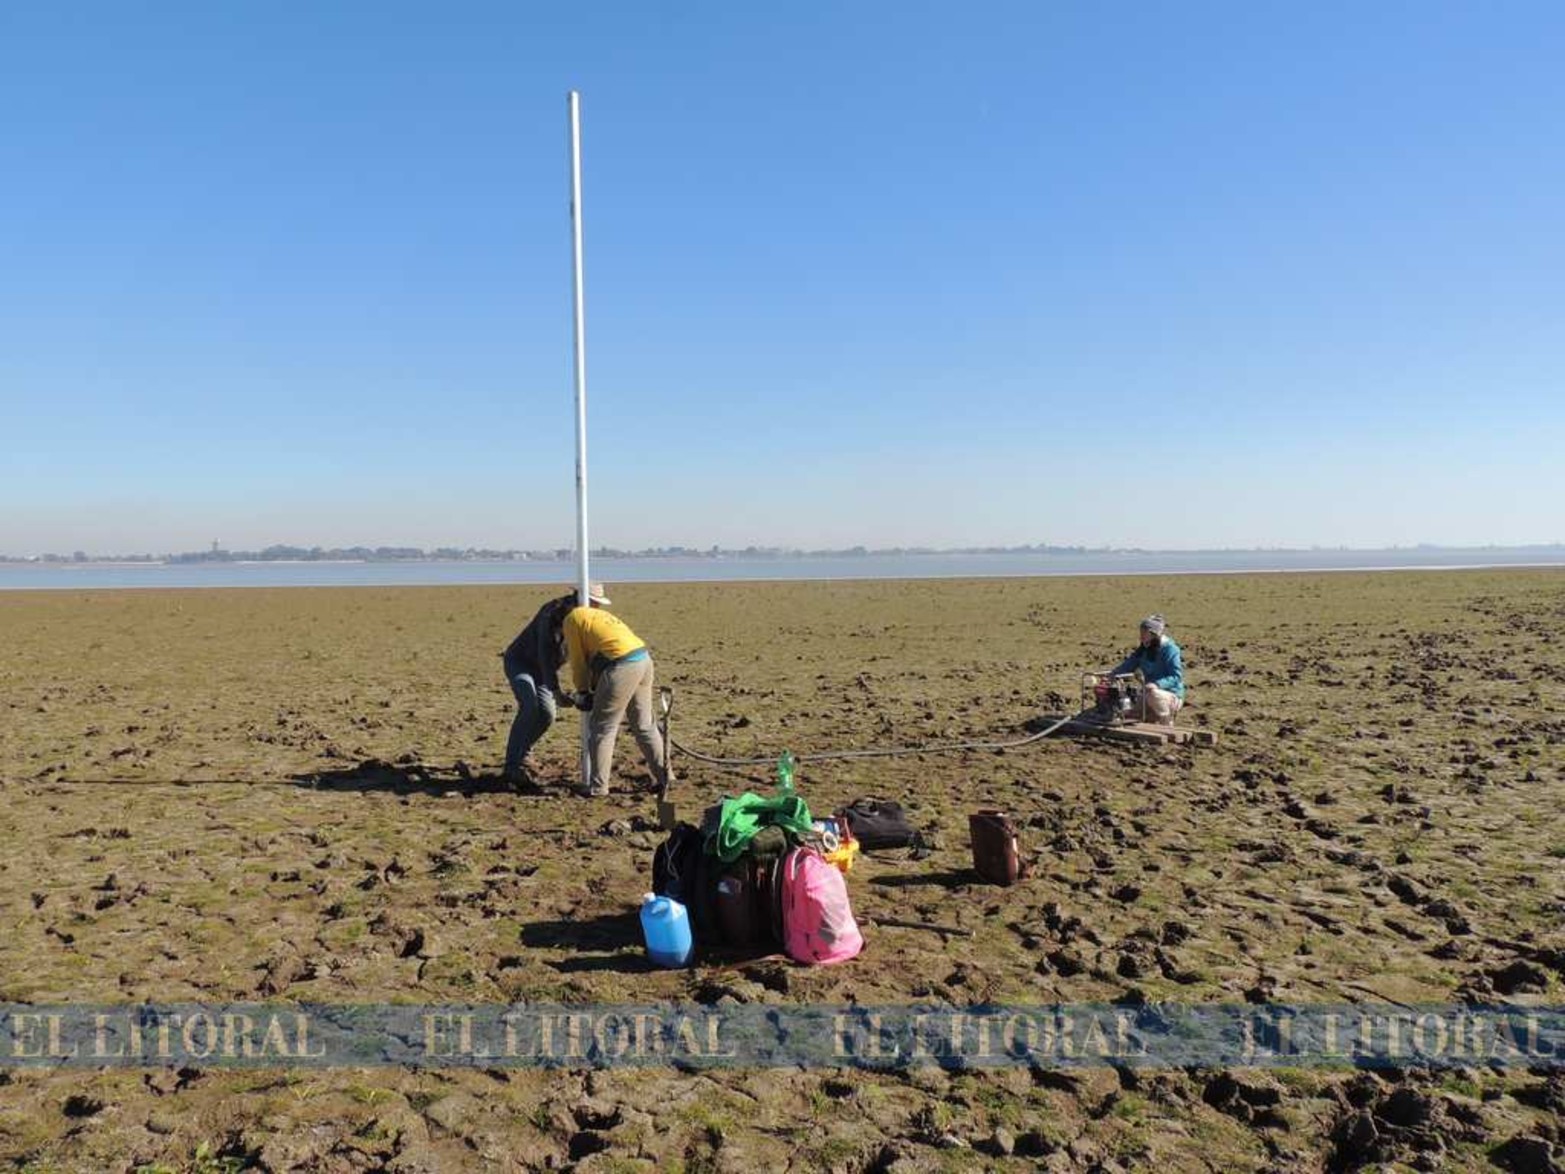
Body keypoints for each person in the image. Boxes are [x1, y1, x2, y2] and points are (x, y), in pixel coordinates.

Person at [561, 584, 668, 797]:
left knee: (602, 728)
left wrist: (582, 691)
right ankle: (666, 778)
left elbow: (578, 662)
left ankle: (598, 787)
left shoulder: (574, 618)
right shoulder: (602, 618)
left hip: (623, 665)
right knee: (644, 725)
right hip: (643, 659)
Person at [499, 590, 576, 788]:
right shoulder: (552, 614)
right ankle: (512, 766)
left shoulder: (587, 621)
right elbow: (545, 655)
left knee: (548, 714)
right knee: (529, 705)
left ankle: (524, 753)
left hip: (543, 672)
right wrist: (556, 691)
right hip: (521, 663)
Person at [1109, 614, 1185, 725]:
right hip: (1147, 693)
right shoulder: (1144, 648)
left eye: (1145, 633)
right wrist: (1112, 674)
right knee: (1127, 711)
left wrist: (1157, 684)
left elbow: (1176, 676)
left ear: (1154, 634)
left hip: (1170, 694)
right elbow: (1128, 665)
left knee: (1153, 695)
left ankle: (1167, 722)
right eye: (1141, 632)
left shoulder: (1170, 649)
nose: (1141, 636)